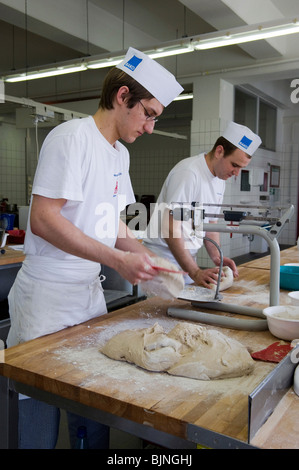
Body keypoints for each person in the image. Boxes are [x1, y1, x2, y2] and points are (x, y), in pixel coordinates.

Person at [7, 46, 183, 449]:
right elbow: (43, 219)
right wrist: (116, 258)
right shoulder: (70, 138)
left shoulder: (119, 154)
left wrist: (145, 257)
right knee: (41, 412)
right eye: (149, 114)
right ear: (123, 97)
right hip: (47, 300)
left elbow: (115, 221)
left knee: (93, 405)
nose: (151, 127)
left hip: (88, 295)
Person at [143, 122, 262, 288]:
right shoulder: (189, 173)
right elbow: (170, 229)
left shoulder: (220, 179)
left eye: (241, 168)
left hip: (186, 259)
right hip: (163, 259)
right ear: (219, 151)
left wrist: (217, 257)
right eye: (234, 165)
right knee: (162, 311)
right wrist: (195, 272)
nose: (236, 173)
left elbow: (210, 223)